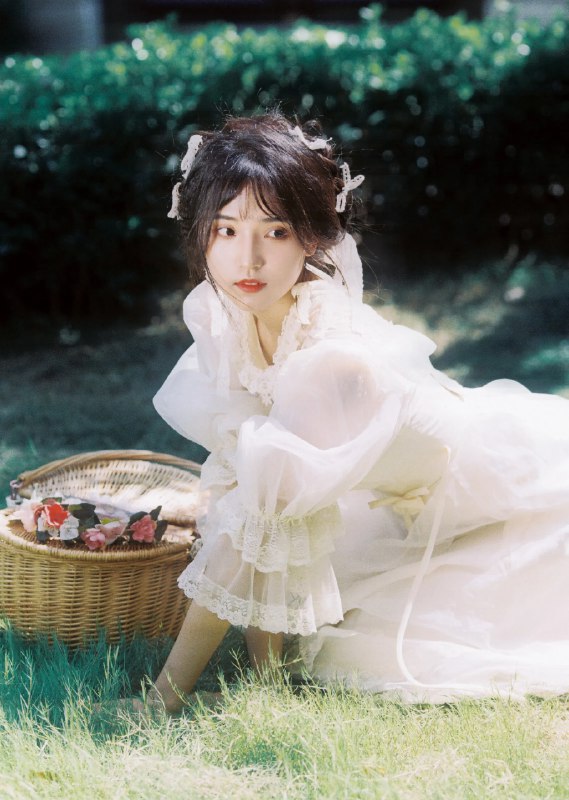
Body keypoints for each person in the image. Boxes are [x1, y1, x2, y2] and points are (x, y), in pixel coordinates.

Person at [148, 112, 569, 713]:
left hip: (488, 481)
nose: (248, 260)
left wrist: (165, 697)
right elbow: (260, 507)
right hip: (390, 496)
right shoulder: (229, 316)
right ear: (201, 234)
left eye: (275, 231)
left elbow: (261, 523)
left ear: (311, 238)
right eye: (226, 230)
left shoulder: (332, 355)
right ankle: (271, 684)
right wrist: (268, 682)